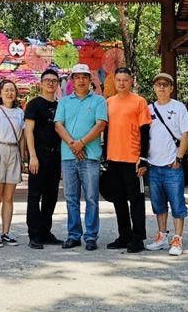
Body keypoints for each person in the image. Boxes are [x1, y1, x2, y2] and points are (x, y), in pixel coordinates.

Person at [54, 63, 107, 251]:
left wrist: (81, 143)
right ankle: (73, 235)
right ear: (72, 81)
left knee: (91, 197)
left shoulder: (99, 100)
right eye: (77, 77)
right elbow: (58, 125)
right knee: (71, 198)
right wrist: (73, 144)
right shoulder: (64, 101)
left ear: (90, 80)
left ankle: (91, 236)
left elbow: (100, 125)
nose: (81, 80)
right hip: (68, 157)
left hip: (90, 157)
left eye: (84, 77)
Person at [145, 72, 188, 256]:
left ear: (171, 88)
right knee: (158, 204)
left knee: (177, 204)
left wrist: (179, 158)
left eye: (165, 84)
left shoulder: (178, 107)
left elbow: (186, 134)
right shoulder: (149, 109)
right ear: (154, 88)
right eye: (158, 84)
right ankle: (161, 236)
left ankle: (177, 239)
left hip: (172, 165)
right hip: (153, 164)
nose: (162, 87)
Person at [104, 67, 152, 253]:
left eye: (125, 79)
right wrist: (105, 156)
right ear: (114, 81)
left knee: (136, 200)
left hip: (133, 159)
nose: (122, 83)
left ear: (131, 81)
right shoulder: (109, 102)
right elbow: (106, 129)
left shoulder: (139, 101)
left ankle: (138, 238)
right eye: (118, 80)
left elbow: (145, 131)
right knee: (118, 199)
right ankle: (124, 235)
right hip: (113, 158)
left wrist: (143, 158)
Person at [0, 79, 26, 247]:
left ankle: (6, 232)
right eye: (6, 90)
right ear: (0, 93)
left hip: (14, 151)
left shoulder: (20, 112)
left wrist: (21, 157)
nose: (9, 93)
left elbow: (21, 137)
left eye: (12, 90)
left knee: (9, 197)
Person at [25, 68, 63, 249]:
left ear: (58, 84)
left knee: (51, 196)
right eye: (47, 80)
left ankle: (46, 232)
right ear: (41, 83)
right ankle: (34, 235)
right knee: (35, 196)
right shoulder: (34, 104)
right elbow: (28, 132)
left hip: (56, 156)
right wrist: (32, 156)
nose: (50, 83)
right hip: (38, 155)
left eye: (54, 81)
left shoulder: (60, 105)